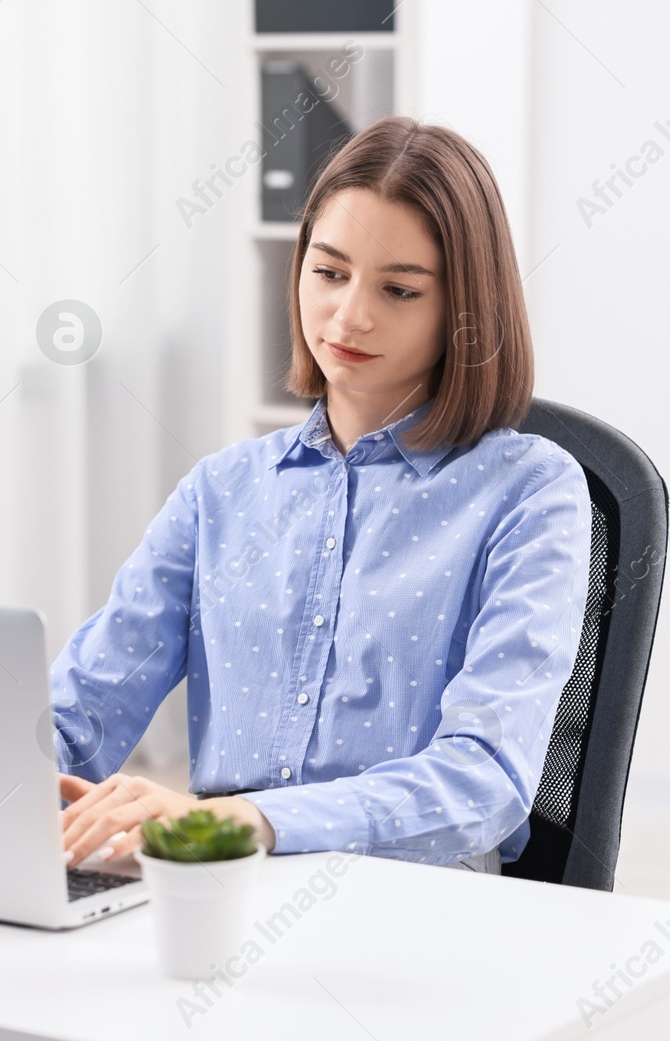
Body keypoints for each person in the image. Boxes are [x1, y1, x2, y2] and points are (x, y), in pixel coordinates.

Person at [55, 116, 591, 876]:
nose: (349, 316)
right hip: (219, 883)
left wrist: (245, 821)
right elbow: (81, 705)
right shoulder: (222, 491)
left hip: (413, 906)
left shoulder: (531, 493)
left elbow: (484, 780)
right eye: (329, 272)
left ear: (465, 309)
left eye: (399, 289)